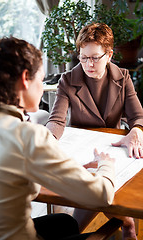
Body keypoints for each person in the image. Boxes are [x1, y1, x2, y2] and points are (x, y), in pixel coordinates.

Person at [0, 37, 115, 240]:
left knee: (65, 222)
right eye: (41, 79)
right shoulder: (26, 135)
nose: (43, 87)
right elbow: (102, 195)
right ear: (25, 78)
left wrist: (72, 169)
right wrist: (106, 166)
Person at [46, 22, 143, 239]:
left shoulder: (123, 77)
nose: (88, 64)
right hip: (83, 150)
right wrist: (48, 139)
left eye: (94, 57)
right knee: (88, 199)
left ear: (109, 55)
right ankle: (126, 223)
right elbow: (57, 120)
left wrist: (136, 130)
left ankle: (125, 223)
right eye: (83, 57)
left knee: (102, 190)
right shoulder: (68, 79)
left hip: (112, 150)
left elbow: (138, 116)